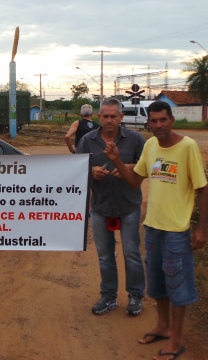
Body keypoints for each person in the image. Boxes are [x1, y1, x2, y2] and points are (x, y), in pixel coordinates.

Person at [104, 100, 208, 360]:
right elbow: (134, 182)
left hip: (177, 230)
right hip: (152, 227)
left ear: (171, 120)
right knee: (158, 284)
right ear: (148, 123)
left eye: (163, 120)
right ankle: (162, 327)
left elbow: (202, 188)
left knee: (178, 286)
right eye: (154, 121)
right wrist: (117, 160)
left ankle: (175, 340)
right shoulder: (150, 146)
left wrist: (201, 229)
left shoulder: (187, 147)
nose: (158, 125)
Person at [76, 98, 146, 316]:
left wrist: (131, 165)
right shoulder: (88, 140)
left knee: (132, 252)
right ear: (98, 118)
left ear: (121, 117)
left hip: (129, 204)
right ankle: (109, 296)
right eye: (105, 116)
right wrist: (90, 172)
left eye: (113, 116)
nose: (109, 120)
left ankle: (136, 295)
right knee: (105, 255)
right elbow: (75, 168)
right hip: (100, 205)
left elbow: (148, 164)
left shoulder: (135, 139)